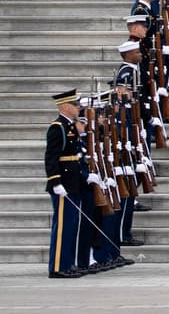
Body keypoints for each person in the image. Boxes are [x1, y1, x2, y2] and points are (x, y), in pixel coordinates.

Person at [45, 88, 85, 278]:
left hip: (73, 182)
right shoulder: (58, 127)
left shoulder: (70, 126)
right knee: (62, 227)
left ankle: (67, 263)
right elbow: (51, 157)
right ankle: (58, 267)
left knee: (71, 225)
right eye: (75, 105)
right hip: (63, 184)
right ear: (65, 106)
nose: (79, 108)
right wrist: (55, 182)